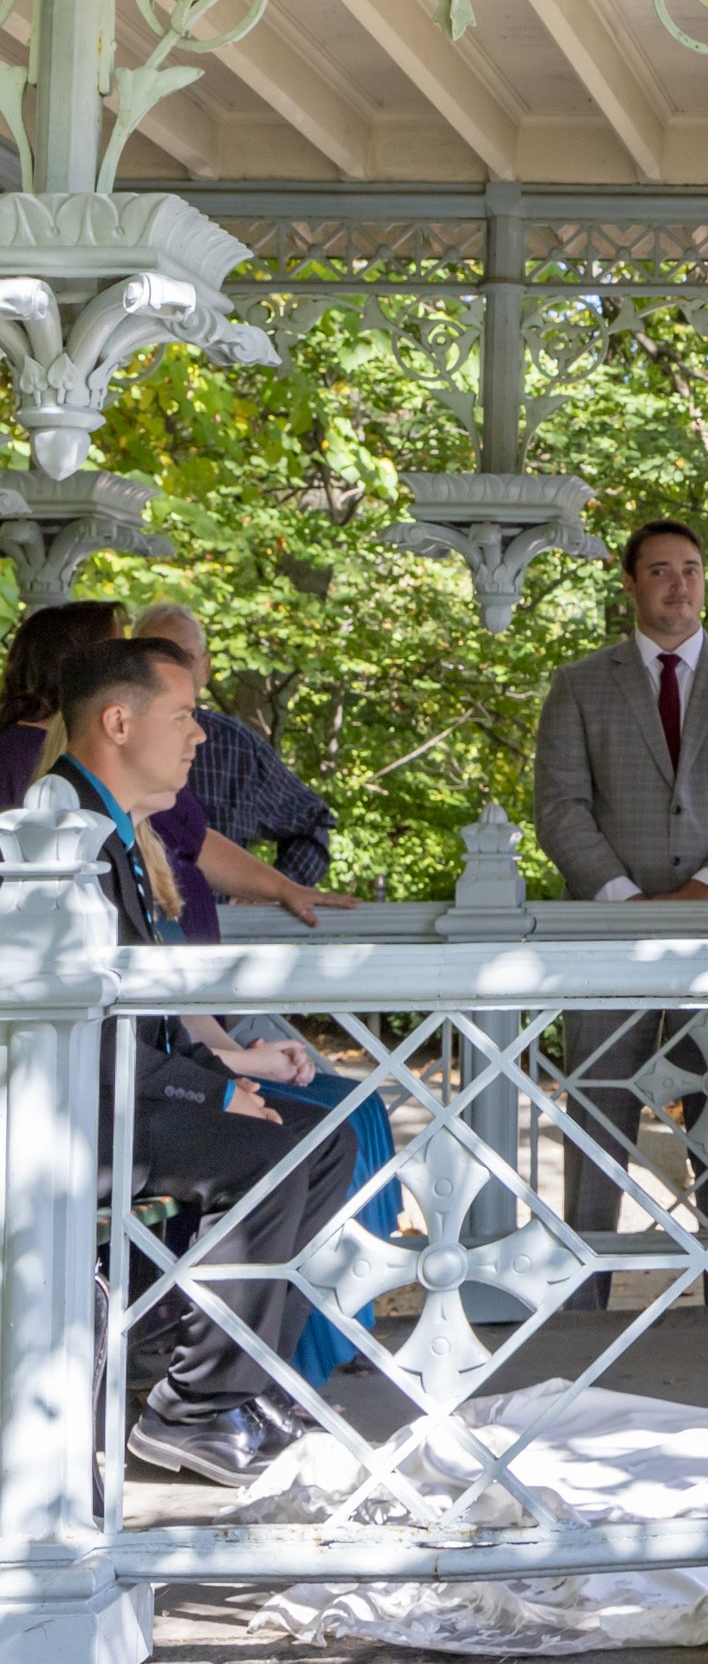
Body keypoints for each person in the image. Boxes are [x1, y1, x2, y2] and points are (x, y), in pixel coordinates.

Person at [54, 637, 358, 1489]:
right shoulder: (62, 830)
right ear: (119, 720)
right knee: (270, 1150)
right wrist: (218, 1085)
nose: (201, 737)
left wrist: (232, 1057)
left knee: (324, 1135)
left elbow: (143, 1008)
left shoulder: (117, 822)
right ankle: (190, 1407)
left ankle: (242, 1380)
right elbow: (97, 1026)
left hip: (120, 1089)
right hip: (68, 1111)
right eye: (184, 716)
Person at [534, 519, 708, 1308]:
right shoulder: (580, 685)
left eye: (690, 569)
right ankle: (583, 1306)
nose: (678, 585)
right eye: (659, 571)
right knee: (596, 1120)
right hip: (608, 939)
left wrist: (704, 892)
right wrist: (624, 900)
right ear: (630, 584)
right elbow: (560, 806)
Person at [0, 601, 351, 936]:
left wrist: (282, 886)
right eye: (125, 652)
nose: (197, 735)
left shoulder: (128, 823)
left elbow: (197, 839)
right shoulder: (62, 805)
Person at [133, 602, 337, 887]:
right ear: (127, 666)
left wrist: (271, 891)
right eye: (158, 656)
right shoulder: (112, 738)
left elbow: (313, 823)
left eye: (185, 657)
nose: (172, 670)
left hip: (220, 926)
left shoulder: (234, 747)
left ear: (205, 668)